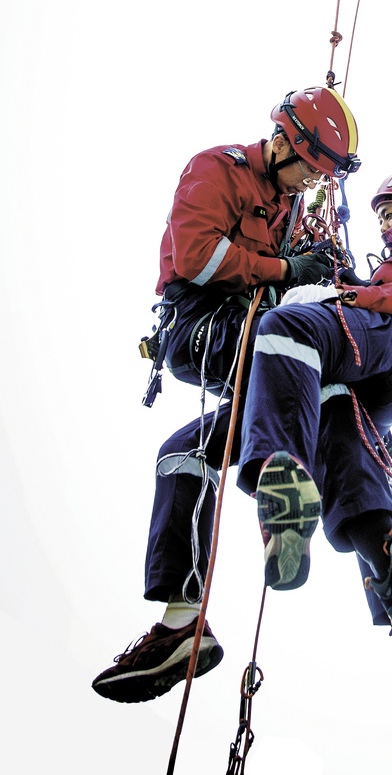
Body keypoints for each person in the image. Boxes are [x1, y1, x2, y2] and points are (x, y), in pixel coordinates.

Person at [92, 162, 392, 701]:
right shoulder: (383, 270)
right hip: (343, 365)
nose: (384, 225)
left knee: (288, 328)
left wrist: (342, 297)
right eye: (381, 216)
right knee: (186, 450)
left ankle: (280, 475)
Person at [92, 85, 361, 703]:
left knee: (185, 453)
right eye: (305, 174)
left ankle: (182, 623)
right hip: (203, 323)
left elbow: (276, 267)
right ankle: (290, 477)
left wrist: (311, 265)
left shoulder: (287, 203)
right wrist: (287, 271)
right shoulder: (216, 170)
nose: (303, 190)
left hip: (255, 325)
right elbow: (197, 255)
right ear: (285, 143)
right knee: (297, 360)